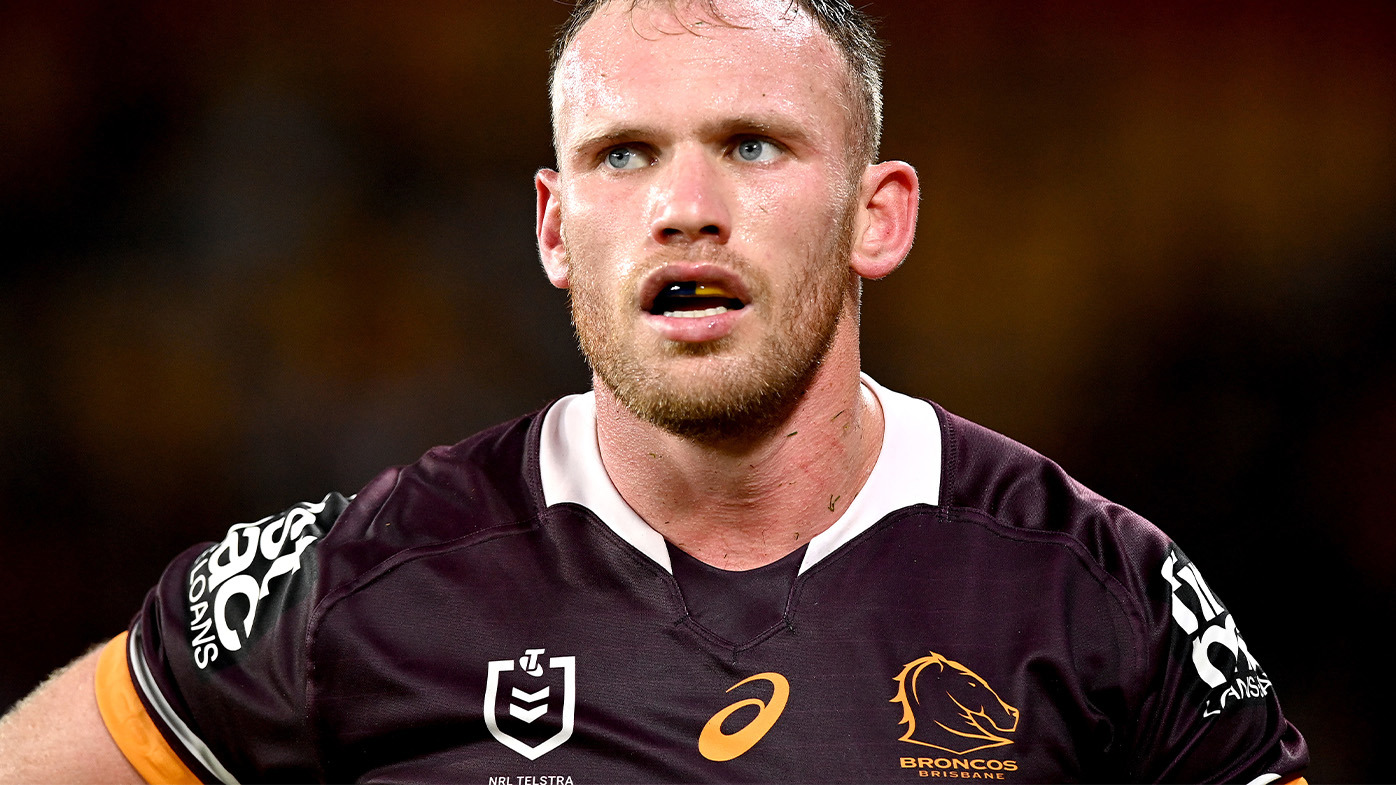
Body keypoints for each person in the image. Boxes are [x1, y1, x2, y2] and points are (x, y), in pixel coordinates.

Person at [0, 0, 1309, 782]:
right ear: (555, 227)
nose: (686, 207)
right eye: (625, 155)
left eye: (753, 145)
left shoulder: (1101, 590)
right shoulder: (360, 578)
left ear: (879, 214)